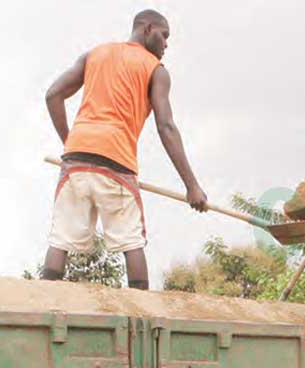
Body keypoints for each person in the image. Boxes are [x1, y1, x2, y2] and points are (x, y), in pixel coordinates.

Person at [42, 9, 207, 290]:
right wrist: (192, 186)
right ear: (147, 29)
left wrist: (71, 143)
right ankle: (140, 314)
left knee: (61, 239)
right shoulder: (155, 70)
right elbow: (166, 126)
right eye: (164, 35)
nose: (166, 44)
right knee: (131, 241)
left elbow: (52, 94)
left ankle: (40, 304)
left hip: (76, 161)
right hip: (117, 164)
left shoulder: (94, 54)